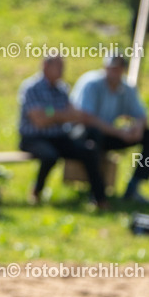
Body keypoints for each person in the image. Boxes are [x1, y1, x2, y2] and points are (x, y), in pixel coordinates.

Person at [18, 55, 108, 208]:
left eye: (62, 67)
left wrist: (50, 113)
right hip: (33, 138)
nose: (61, 71)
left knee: (89, 150)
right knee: (50, 156)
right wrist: (59, 114)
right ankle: (37, 191)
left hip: (59, 136)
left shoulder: (62, 89)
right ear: (45, 66)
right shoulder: (31, 88)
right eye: (58, 67)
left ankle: (99, 199)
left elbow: (75, 115)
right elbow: (39, 121)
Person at [71, 55, 149, 204]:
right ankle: (96, 191)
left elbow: (142, 116)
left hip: (109, 134)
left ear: (122, 70)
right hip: (82, 134)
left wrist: (138, 128)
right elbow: (86, 118)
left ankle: (134, 187)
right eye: (110, 68)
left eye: (117, 69)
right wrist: (119, 132)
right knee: (94, 134)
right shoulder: (91, 83)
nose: (113, 72)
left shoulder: (127, 88)